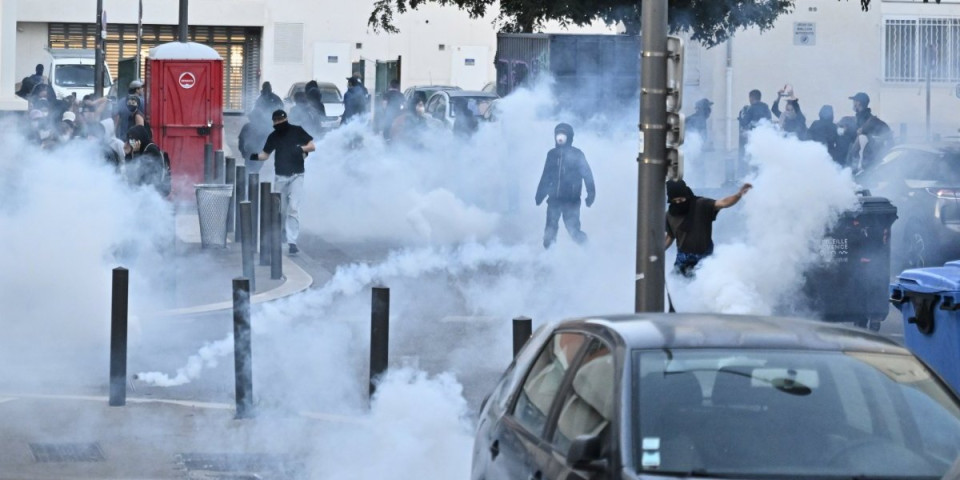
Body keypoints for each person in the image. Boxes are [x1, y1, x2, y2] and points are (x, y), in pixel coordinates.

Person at [250, 109, 316, 255]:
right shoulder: (273, 136)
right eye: (276, 120)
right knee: (280, 209)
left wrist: (300, 149)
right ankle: (280, 233)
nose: (279, 122)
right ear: (273, 122)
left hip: (297, 175)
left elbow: (312, 146)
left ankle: (292, 242)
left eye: (281, 119)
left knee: (293, 207)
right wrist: (253, 157)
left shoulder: (297, 131)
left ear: (286, 119)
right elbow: (265, 155)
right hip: (280, 177)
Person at [665, 179, 752, 276]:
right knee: (675, 280)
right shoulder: (670, 215)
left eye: (681, 200)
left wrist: (738, 195)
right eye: (675, 201)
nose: (678, 203)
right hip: (683, 257)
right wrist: (656, 251)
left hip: (703, 257)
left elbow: (723, 203)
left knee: (704, 281)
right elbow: (670, 236)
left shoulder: (701, 204)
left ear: (686, 195)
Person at [535, 123, 596, 249]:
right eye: (558, 134)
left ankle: (589, 250)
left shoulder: (577, 154)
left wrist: (591, 194)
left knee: (573, 230)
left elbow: (587, 174)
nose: (560, 137)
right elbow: (546, 175)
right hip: (554, 200)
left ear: (569, 137)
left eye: (563, 134)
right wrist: (540, 194)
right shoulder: (551, 154)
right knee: (550, 231)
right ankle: (549, 256)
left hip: (571, 201)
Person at [848, 92, 892, 171]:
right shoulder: (861, 119)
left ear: (858, 103)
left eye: (854, 101)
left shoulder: (870, 122)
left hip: (866, 167)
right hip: (865, 165)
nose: (853, 103)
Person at [125, 125, 171, 197]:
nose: (132, 142)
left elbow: (140, 174)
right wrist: (128, 154)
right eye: (130, 140)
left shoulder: (151, 150)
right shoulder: (142, 149)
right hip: (147, 192)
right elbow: (130, 172)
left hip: (155, 193)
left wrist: (136, 154)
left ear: (140, 137)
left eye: (133, 139)